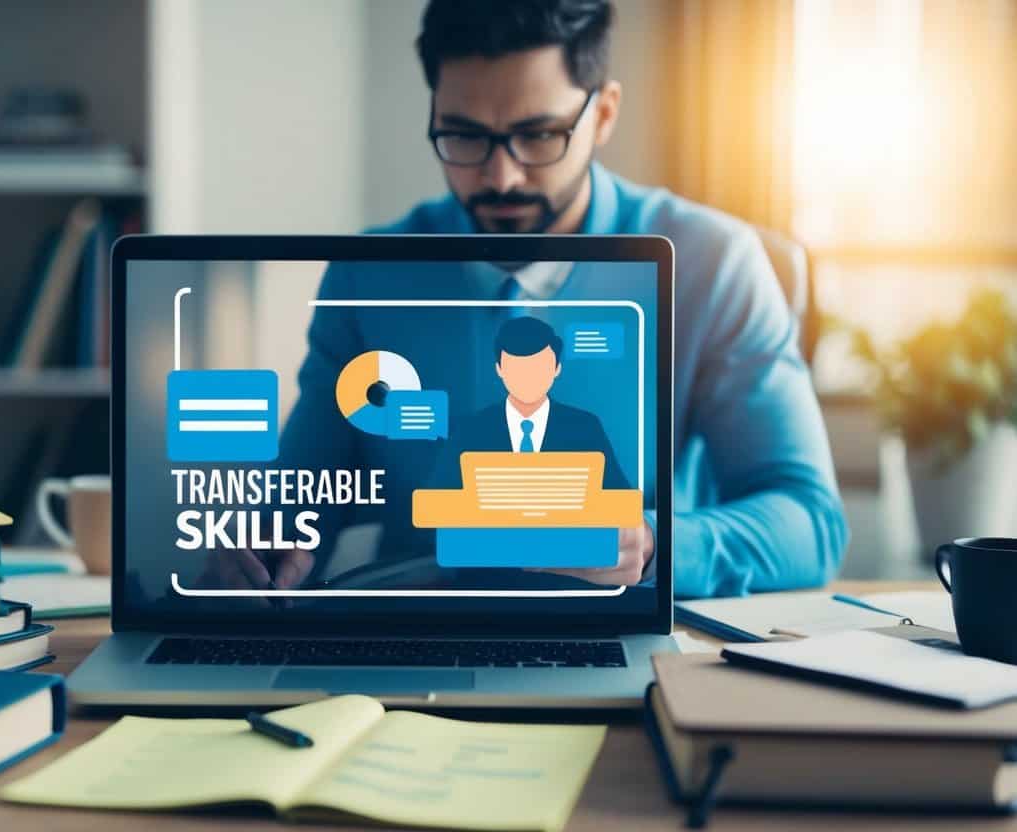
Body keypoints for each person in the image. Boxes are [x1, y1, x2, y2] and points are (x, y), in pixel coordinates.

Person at [226, 0, 849, 598]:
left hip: (624, 641)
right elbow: (299, 497)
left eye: (539, 135)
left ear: (603, 114)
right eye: (463, 137)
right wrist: (264, 540)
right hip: (410, 647)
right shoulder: (368, 275)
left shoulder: (712, 263)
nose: (501, 177)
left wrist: (651, 545)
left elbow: (811, 522)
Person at [444, 316, 631, 491]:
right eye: (517, 368)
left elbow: (620, 500)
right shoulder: (471, 429)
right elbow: (433, 501)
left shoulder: (585, 427)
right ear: (499, 369)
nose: (528, 377)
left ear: (557, 369)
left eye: (538, 367)